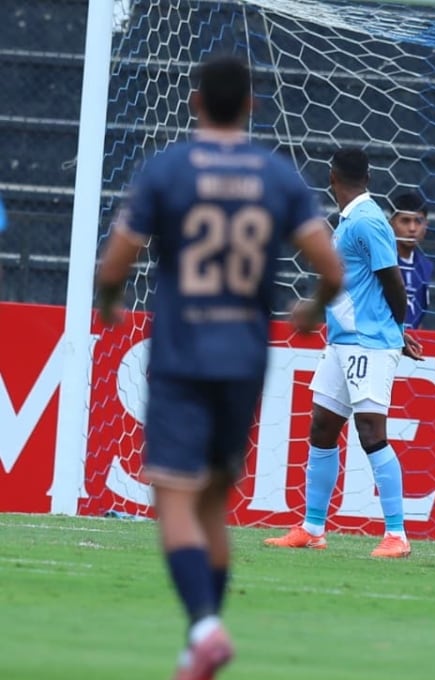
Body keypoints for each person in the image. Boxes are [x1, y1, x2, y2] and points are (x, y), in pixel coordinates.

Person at [95, 55, 343, 680]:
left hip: (183, 354)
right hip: (245, 357)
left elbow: (116, 261)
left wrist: (110, 300)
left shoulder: (169, 168)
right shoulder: (277, 175)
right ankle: (198, 642)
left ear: (195, 102)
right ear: (252, 107)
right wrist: (311, 309)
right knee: (213, 503)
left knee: (174, 499)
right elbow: (331, 269)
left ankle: (204, 628)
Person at [265, 148, 423, 558]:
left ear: (331, 176)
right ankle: (313, 528)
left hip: (368, 343)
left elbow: (393, 282)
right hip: (342, 342)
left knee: (371, 433)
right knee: (322, 427)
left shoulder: (367, 220)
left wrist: (396, 332)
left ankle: (397, 534)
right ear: (367, 177)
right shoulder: (352, 219)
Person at [389, 191, 434, 329]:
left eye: (418, 221)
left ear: (426, 225)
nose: (412, 228)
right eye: (405, 221)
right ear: (391, 223)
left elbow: (419, 315)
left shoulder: (426, 267)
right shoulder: (381, 263)